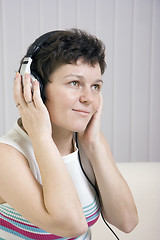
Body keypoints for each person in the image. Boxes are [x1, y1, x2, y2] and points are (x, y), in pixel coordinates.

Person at [0, 29, 138, 240]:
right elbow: (71, 225)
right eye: (75, 83)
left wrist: (93, 144)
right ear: (35, 87)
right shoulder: (6, 157)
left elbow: (126, 221)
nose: (89, 98)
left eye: (95, 87)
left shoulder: (89, 143)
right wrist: (42, 137)